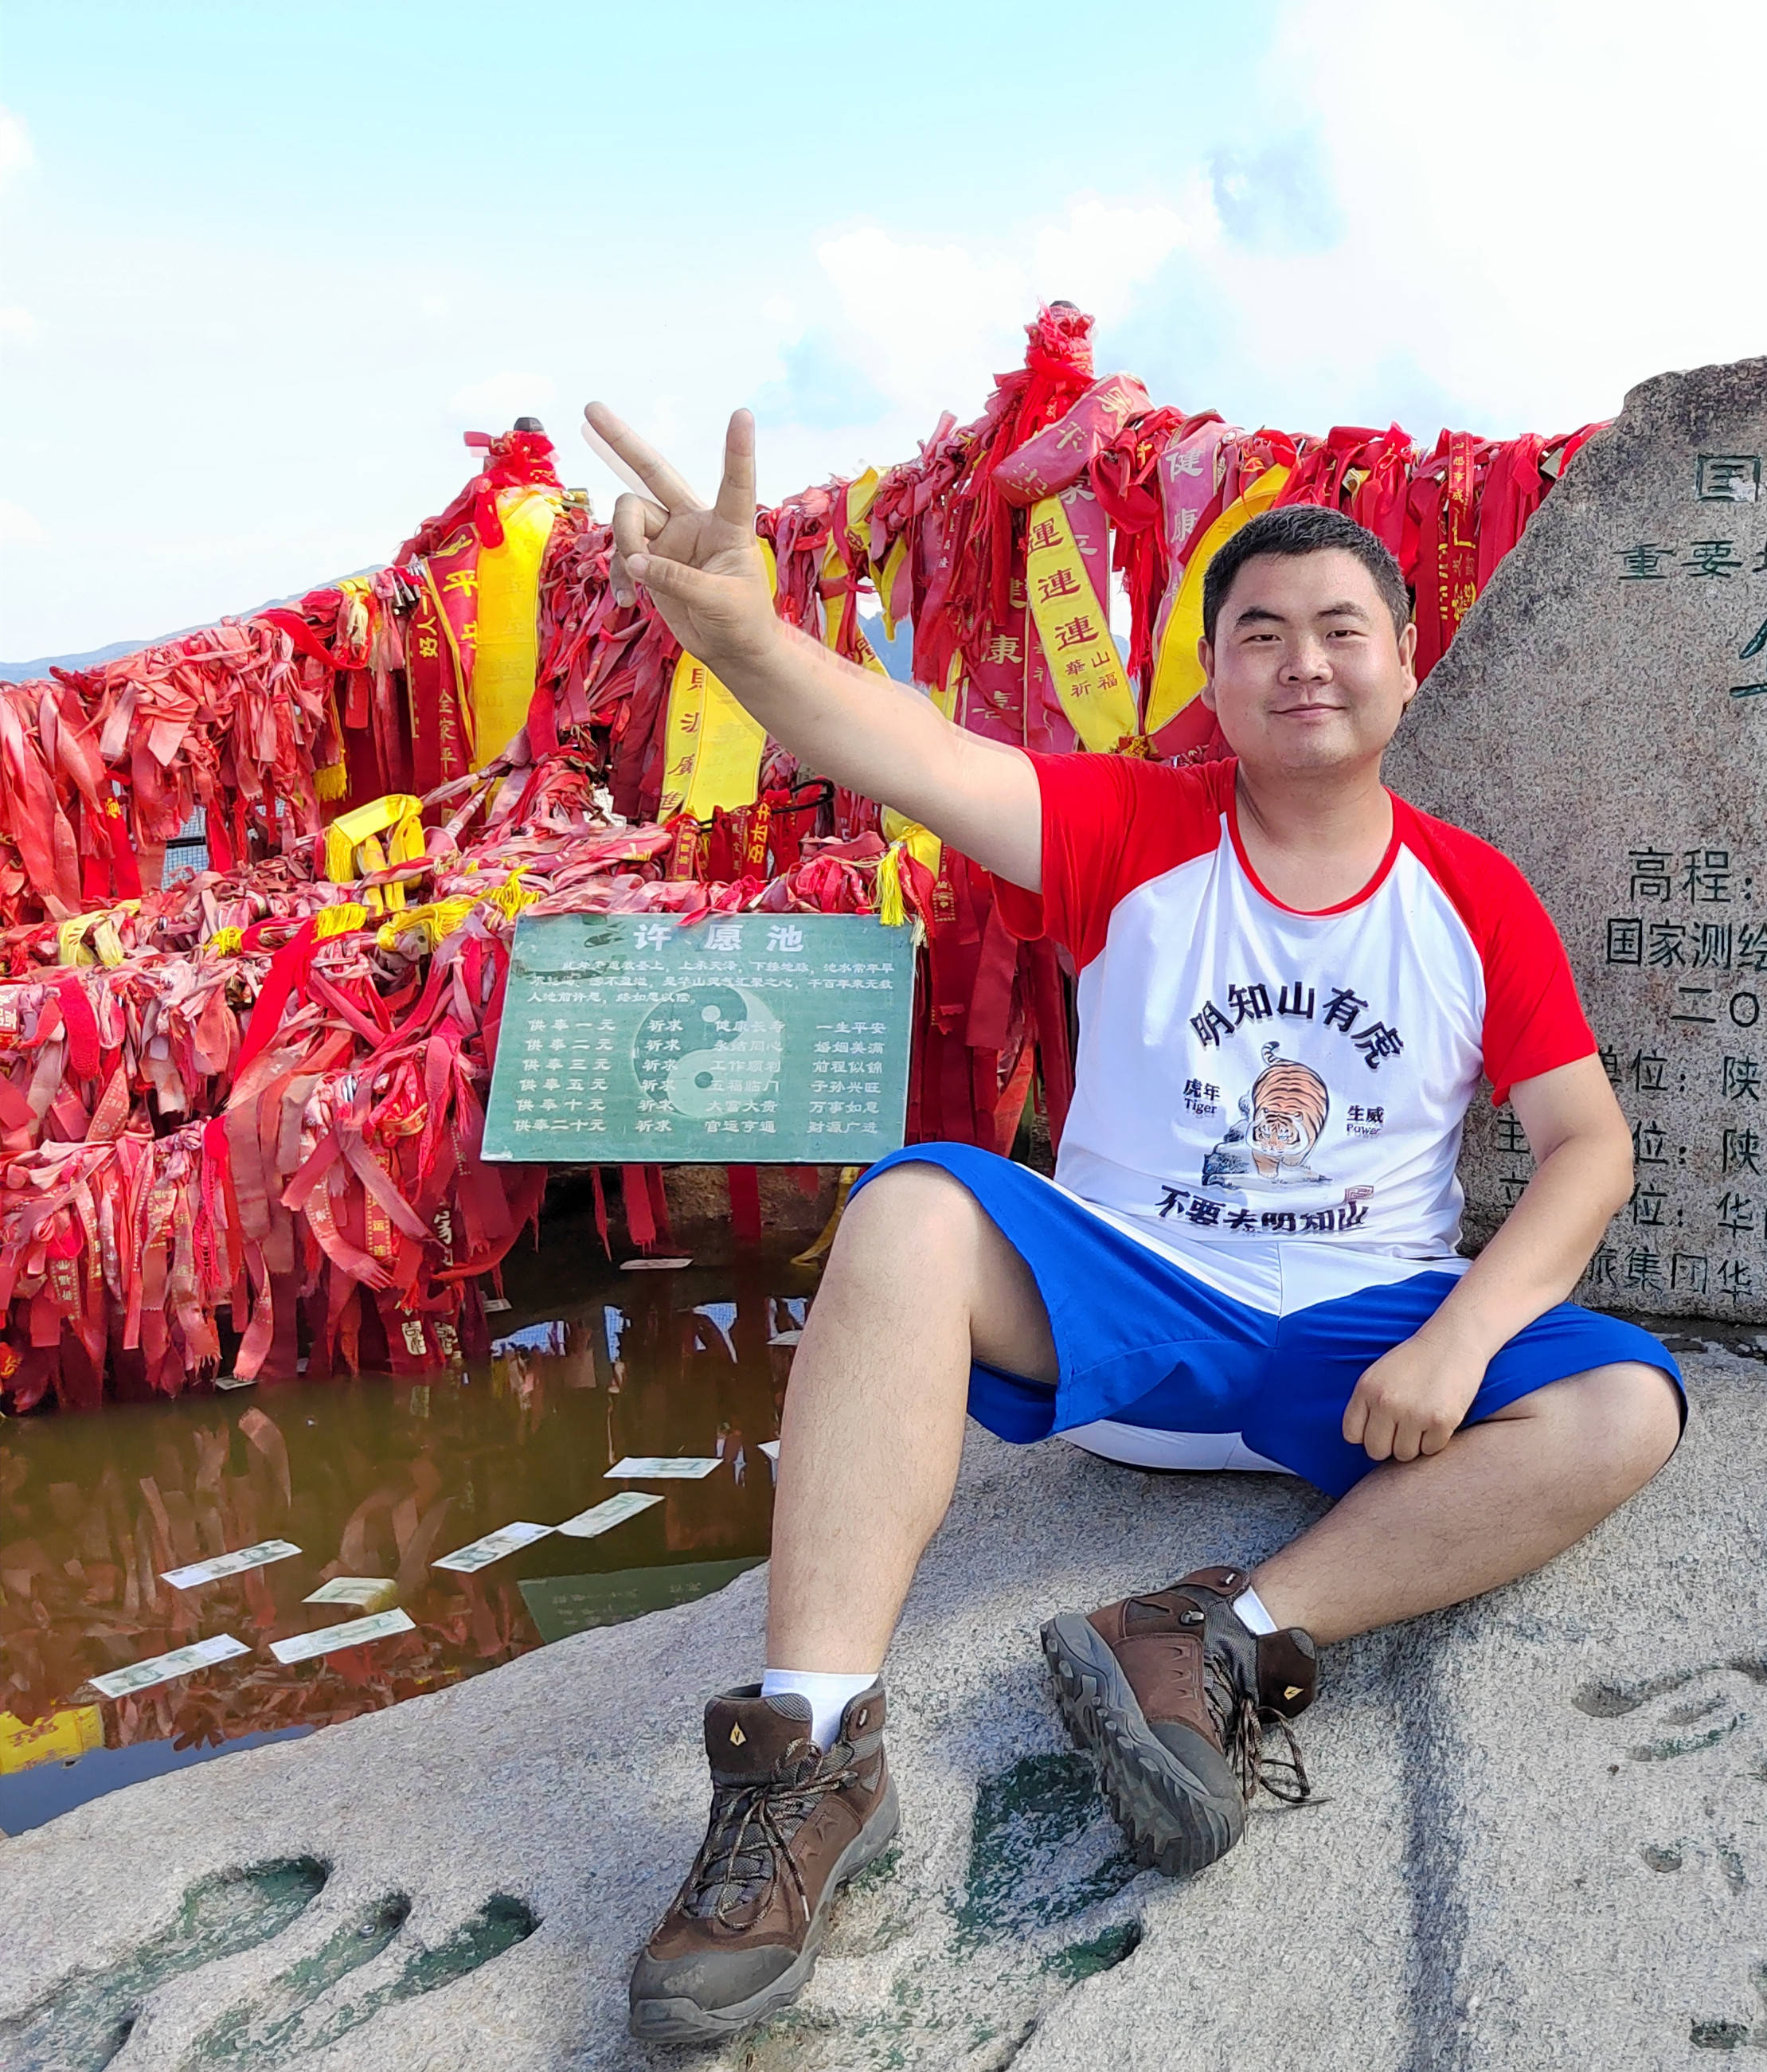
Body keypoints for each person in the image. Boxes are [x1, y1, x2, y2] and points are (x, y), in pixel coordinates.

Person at [589, 405, 1683, 2045]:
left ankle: (1210, 1636)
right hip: (1125, 1300)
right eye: (1259, 633)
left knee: (1625, 1404)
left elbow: (1585, 1144)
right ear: (1218, 681)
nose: (1303, 661)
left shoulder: (1471, 891)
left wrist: (1458, 1333)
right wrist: (742, 629)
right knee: (908, 1211)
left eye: (1340, 630)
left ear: (1401, 668)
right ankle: (811, 1751)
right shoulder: (1128, 830)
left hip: (1357, 1338)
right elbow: (895, 745)